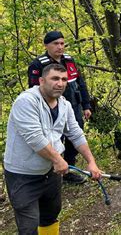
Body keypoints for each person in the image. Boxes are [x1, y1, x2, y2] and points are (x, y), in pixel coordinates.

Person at [4, 64, 101, 234]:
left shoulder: (65, 105)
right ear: (41, 80)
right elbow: (35, 138)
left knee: (50, 214)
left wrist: (91, 162)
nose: (60, 83)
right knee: (29, 225)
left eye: (64, 79)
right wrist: (58, 160)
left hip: (52, 173)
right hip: (23, 175)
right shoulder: (26, 102)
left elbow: (76, 134)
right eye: (55, 78)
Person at [28, 31, 92, 184]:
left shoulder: (69, 61)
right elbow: (34, 90)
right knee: (53, 139)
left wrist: (86, 105)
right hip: (50, 109)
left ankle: (69, 170)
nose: (60, 47)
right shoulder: (38, 64)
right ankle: (53, 171)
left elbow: (80, 83)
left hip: (73, 106)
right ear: (46, 45)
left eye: (62, 43)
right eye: (55, 43)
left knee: (74, 136)